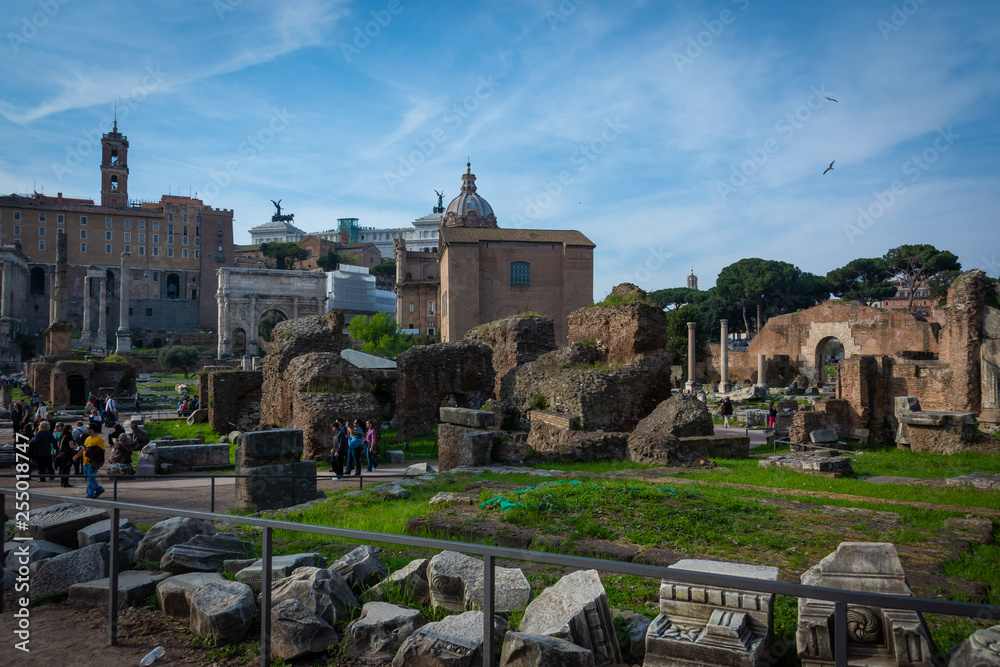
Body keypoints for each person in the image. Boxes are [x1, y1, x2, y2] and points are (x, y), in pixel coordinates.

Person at [74, 423, 106, 498]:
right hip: (85, 462)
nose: (86, 430)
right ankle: (99, 489)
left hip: (93, 462)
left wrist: (88, 450)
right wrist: (76, 455)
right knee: (88, 478)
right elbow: (83, 449)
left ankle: (90, 494)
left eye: (87, 428)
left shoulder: (99, 439)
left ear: (92, 430)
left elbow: (101, 452)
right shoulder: (87, 438)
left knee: (90, 478)